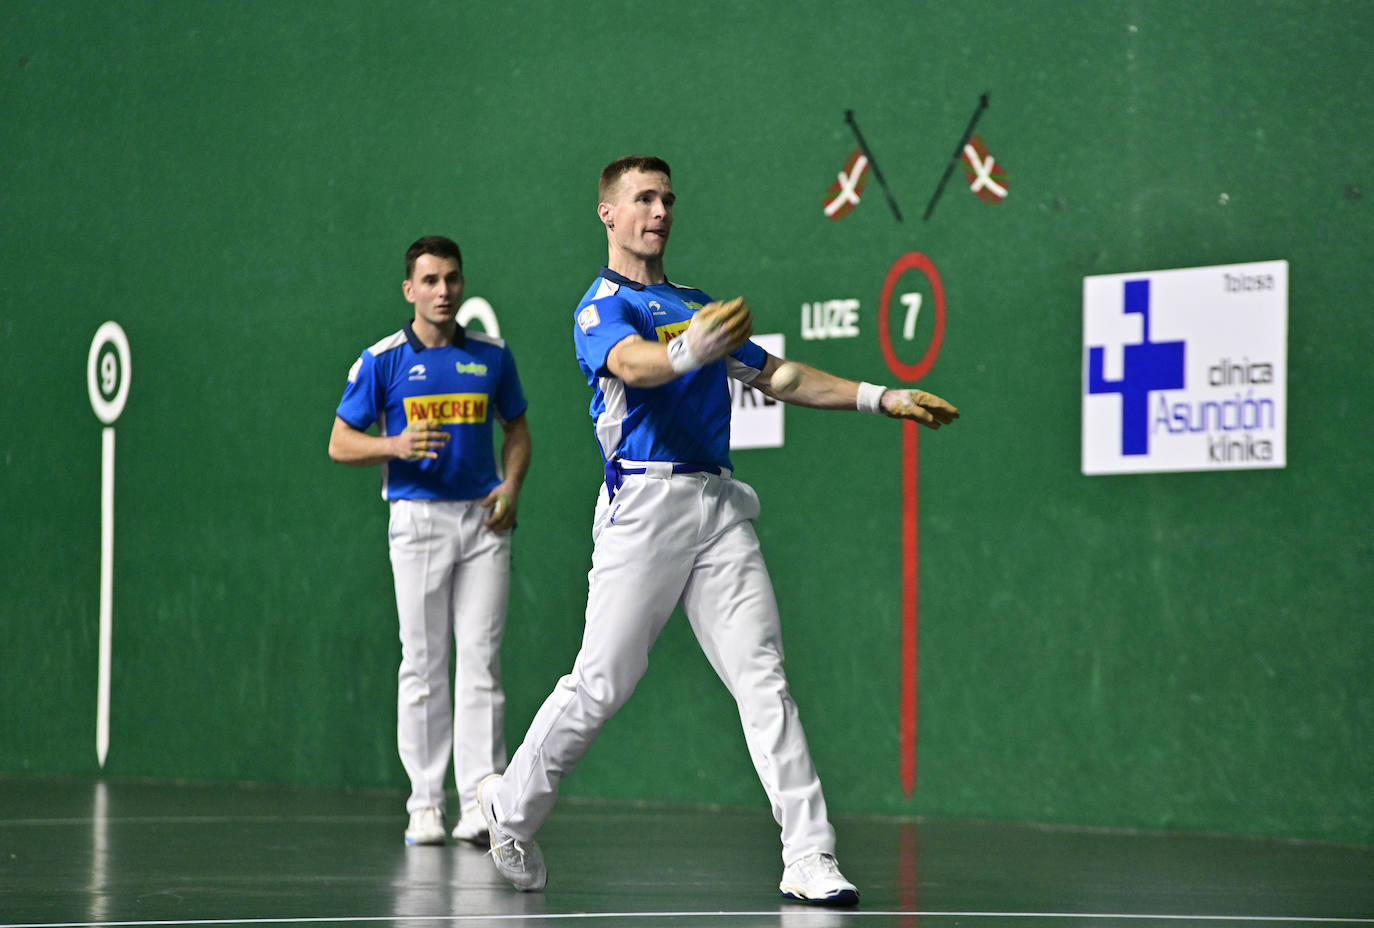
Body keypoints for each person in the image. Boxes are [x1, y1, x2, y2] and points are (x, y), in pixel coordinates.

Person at [476, 157, 957, 905]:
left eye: (667, 198)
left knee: (763, 676)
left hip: (719, 509)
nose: (659, 210)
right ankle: (510, 809)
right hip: (643, 509)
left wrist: (880, 396)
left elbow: (781, 378)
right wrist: (688, 351)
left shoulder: (696, 303)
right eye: (642, 198)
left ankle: (809, 855)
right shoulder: (602, 305)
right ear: (608, 212)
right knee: (601, 684)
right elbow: (634, 367)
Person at [329, 235, 532, 847]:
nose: (443, 291)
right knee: (422, 665)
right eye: (431, 281)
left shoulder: (492, 356)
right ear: (409, 290)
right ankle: (424, 803)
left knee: (481, 665)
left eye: (452, 279)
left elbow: (517, 429)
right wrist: (393, 446)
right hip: (416, 522)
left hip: (483, 522)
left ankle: (479, 803)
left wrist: (512, 484)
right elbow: (340, 442)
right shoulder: (383, 359)